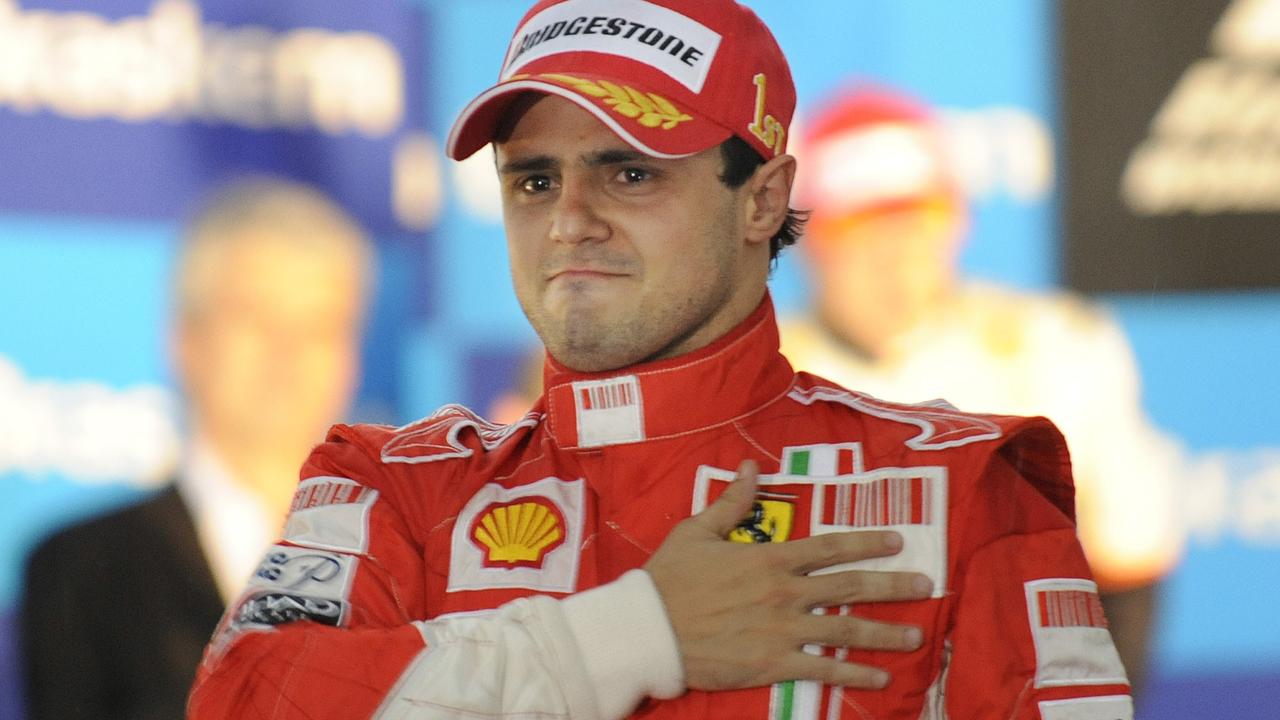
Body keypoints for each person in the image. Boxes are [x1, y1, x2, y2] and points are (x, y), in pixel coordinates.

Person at [190, 2, 1133, 718]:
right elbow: (248, 700)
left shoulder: (961, 491)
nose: (568, 220)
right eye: (534, 179)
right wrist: (640, 636)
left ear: (762, 200)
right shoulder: (393, 487)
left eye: (631, 171)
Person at [780, 85, 1185, 694]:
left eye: (917, 225)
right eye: (864, 232)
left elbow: (1128, 559)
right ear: (811, 243)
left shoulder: (1054, 351)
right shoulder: (762, 374)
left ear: (957, 225)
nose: (896, 259)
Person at [20, 178, 372, 720]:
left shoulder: (410, 562)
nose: (289, 354)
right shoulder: (82, 570)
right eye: (257, 318)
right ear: (187, 339)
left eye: (319, 326)